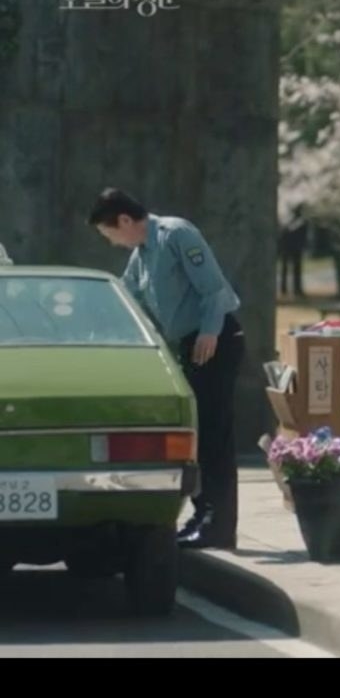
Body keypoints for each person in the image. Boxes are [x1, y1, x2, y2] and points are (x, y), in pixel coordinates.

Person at [88, 188, 245, 550]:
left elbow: (213, 288)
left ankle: (220, 524)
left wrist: (209, 330)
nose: (113, 242)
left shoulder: (175, 234)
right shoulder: (142, 255)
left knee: (213, 437)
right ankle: (203, 514)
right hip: (186, 347)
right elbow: (128, 299)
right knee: (195, 436)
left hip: (213, 341)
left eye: (110, 233)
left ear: (125, 221)